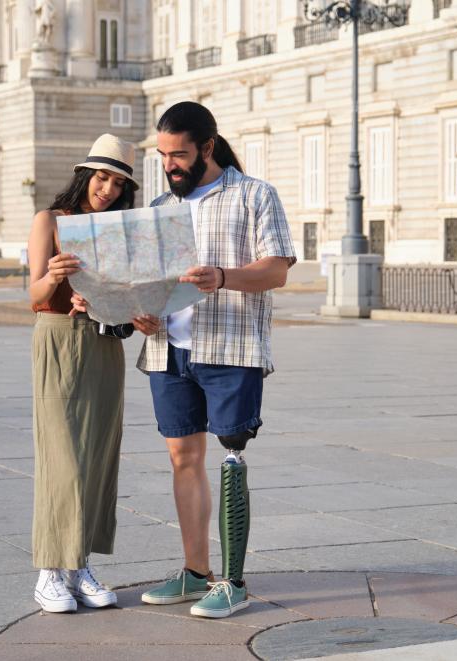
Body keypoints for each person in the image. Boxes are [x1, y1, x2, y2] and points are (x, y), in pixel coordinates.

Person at [137, 102, 296, 618]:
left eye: (178, 155)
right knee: (182, 460)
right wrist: (139, 312)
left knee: (231, 458)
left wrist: (224, 277)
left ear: (207, 147)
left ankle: (234, 582)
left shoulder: (255, 195)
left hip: (230, 347)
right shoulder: (161, 205)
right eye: (163, 155)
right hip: (168, 348)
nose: (170, 165)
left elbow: (275, 271)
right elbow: (149, 278)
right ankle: (194, 572)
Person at [27, 133, 159, 613]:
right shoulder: (51, 221)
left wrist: (140, 315)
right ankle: (49, 571)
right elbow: (35, 295)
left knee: (98, 458)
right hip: (59, 338)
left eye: (118, 183)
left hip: (105, 343)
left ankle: (78, 566)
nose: (107, 189)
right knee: (62, 457)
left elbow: (128, 298)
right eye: (102, 177)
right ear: (87, 175)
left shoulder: (120, 231)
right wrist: (58, 275)